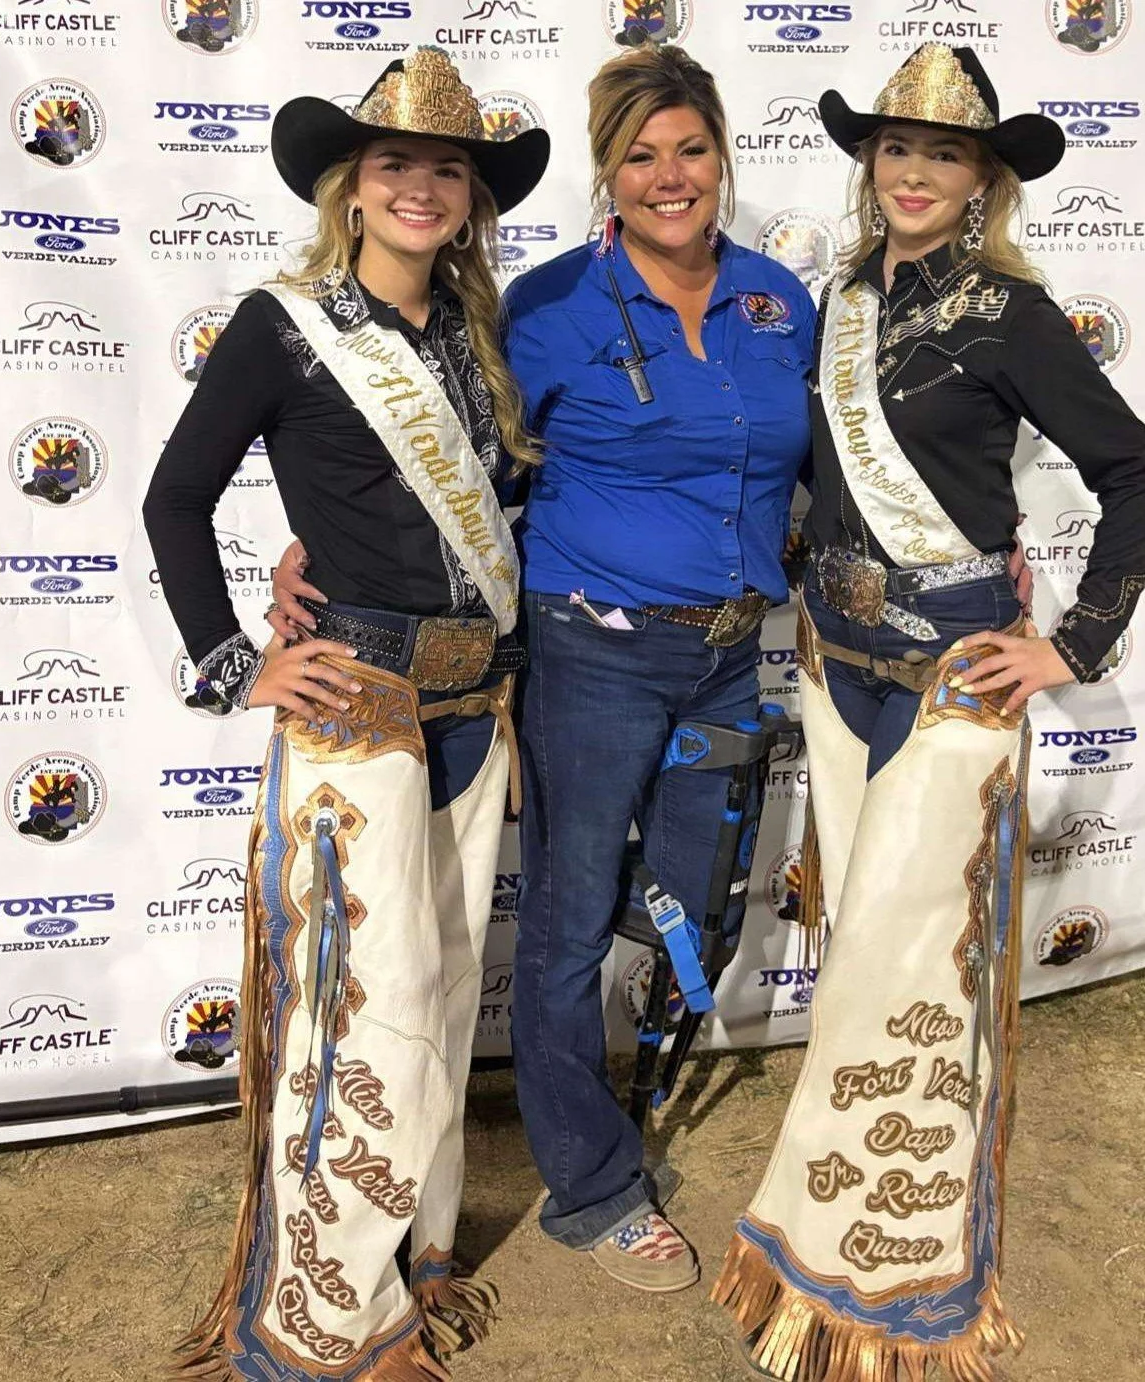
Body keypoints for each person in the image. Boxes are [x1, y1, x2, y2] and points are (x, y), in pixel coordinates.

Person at [270, 43, 818, 1294]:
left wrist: (988, 540)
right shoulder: (548, 305)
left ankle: (621, 1092)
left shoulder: (778, 299)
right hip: (590, 656)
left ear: (721, 155)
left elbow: (823, 463)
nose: (668, 176)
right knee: (566, 923)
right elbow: (455, 461)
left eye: (689, 148)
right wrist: (320, 553)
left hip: (729, 662)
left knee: (688, 908)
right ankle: (592, 1184)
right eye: (639, 155)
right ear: (605, 174)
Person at [712, 44, 1145, 1380]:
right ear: (871, 163)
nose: (913, 173)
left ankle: (884, 1257)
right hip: (835, 664)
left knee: (905, 956)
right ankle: (833, 1211)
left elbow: (1136, 477)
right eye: (896, 148)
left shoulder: (1011, 314)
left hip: (951, 675)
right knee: (867, 941)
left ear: (982, 180)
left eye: (945, 155)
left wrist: (1069, 642)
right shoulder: (839, 297)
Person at [142, 47, 549, 1381]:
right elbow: (172, 499)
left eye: (448, 170)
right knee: (360, 1008)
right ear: (352, 187)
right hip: (355, 699)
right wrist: (232, 663)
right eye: (395, 165)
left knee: (442, 989)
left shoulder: (476, 333)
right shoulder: (283, 324)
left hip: (475, 699)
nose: (422, 188)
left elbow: (480, 512)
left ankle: (415, 1252)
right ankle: (328, 1316)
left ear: (469, 198)